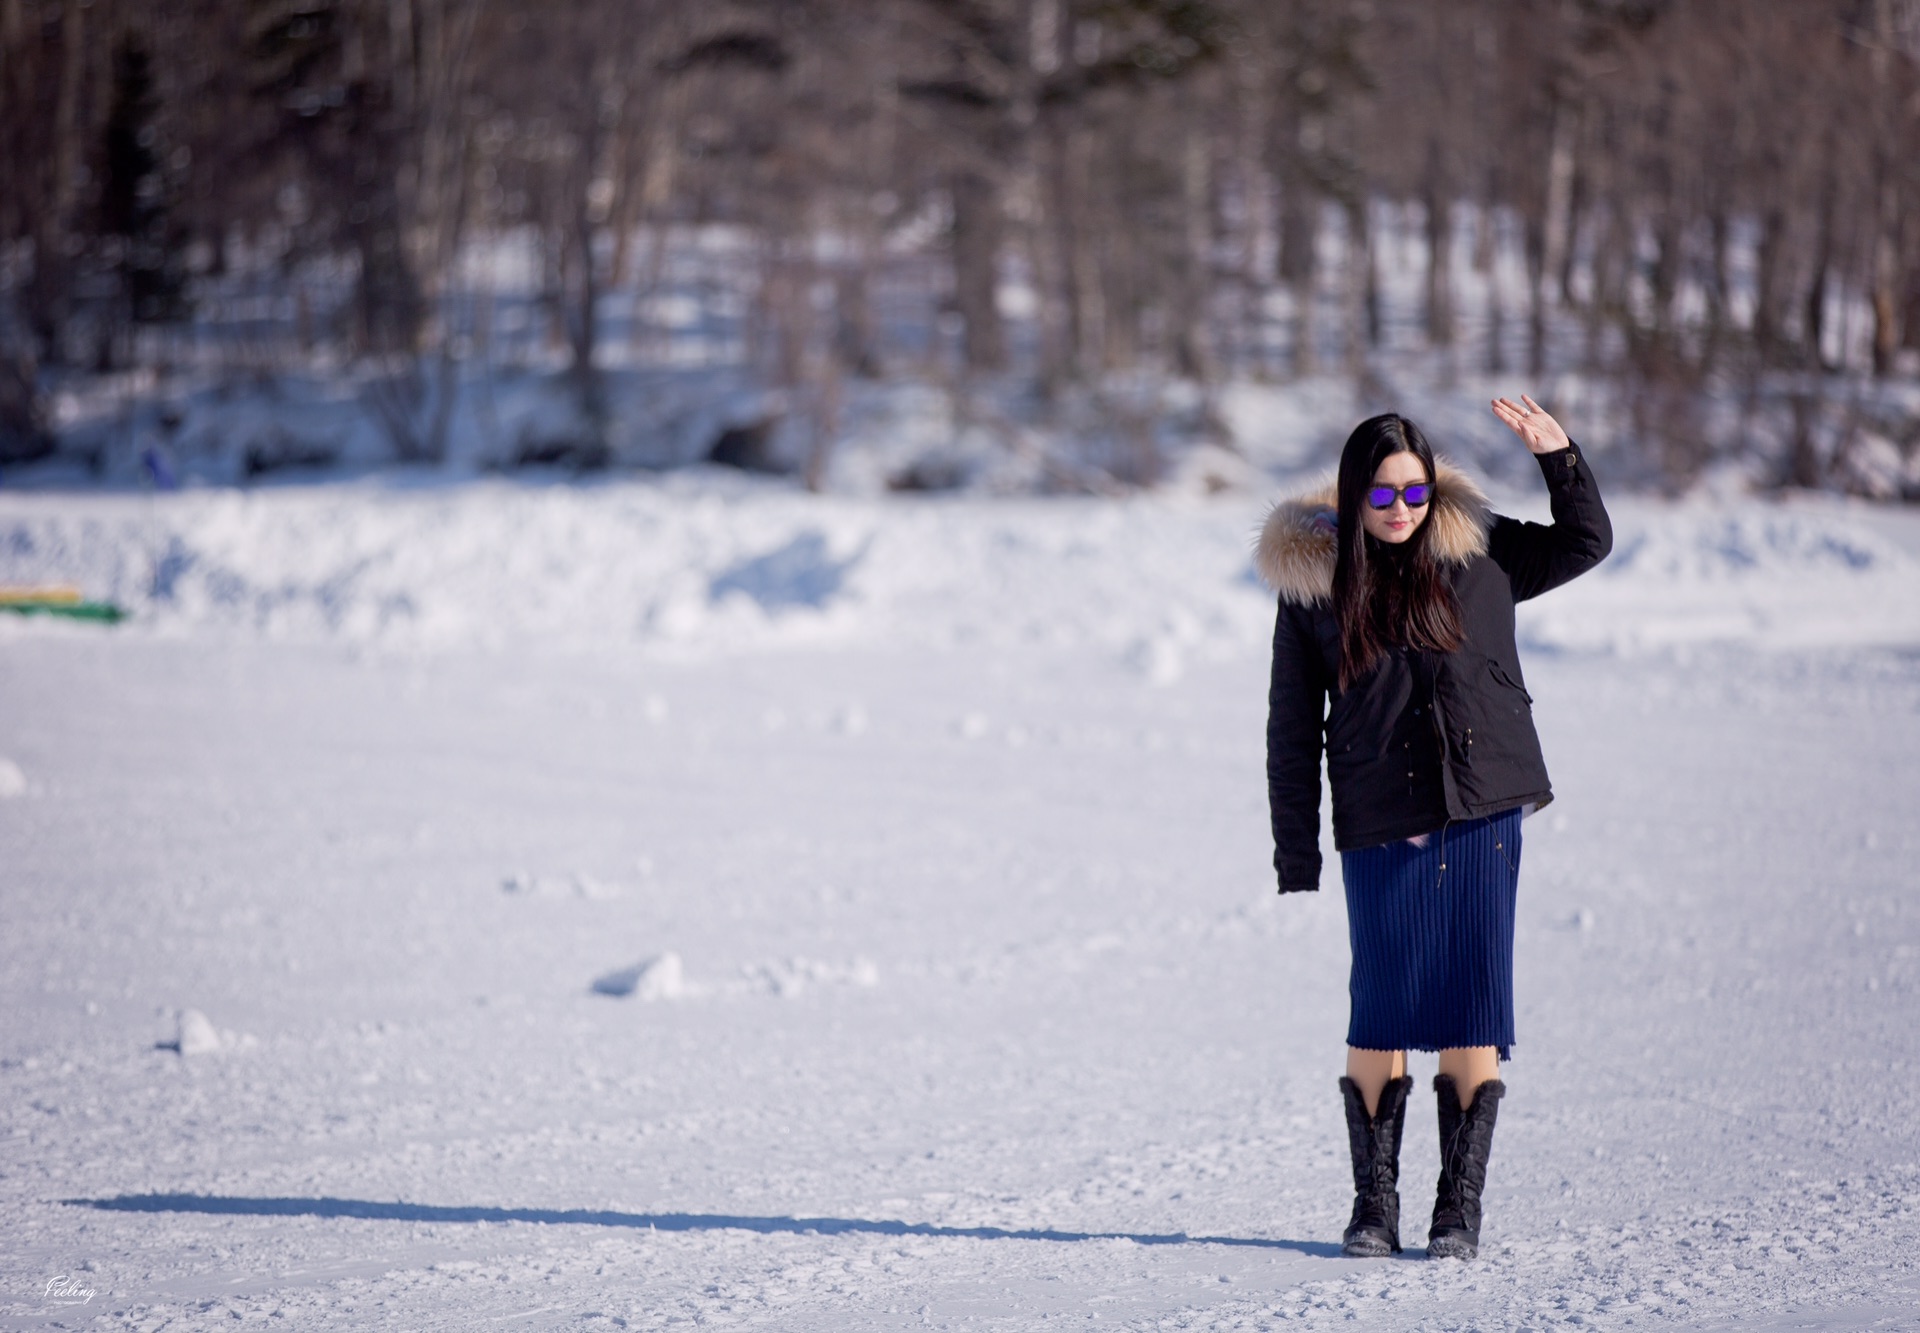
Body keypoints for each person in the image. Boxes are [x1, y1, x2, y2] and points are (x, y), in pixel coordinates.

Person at [1254, 397, 1611, 1260]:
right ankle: (1374, 1204)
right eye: (1381, 497)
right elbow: (1292, 726)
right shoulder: (1317, 588)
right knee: (1378, 1010)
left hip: (1480, 810)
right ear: (1352, 498)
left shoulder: (1478, 550)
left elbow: (1584, 541)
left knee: (1471, 1004)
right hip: (1381, 821)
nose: (1400, 512)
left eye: (1413, 494)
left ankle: (1458, 1205)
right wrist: (1295, 848)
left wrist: (1558, 455)